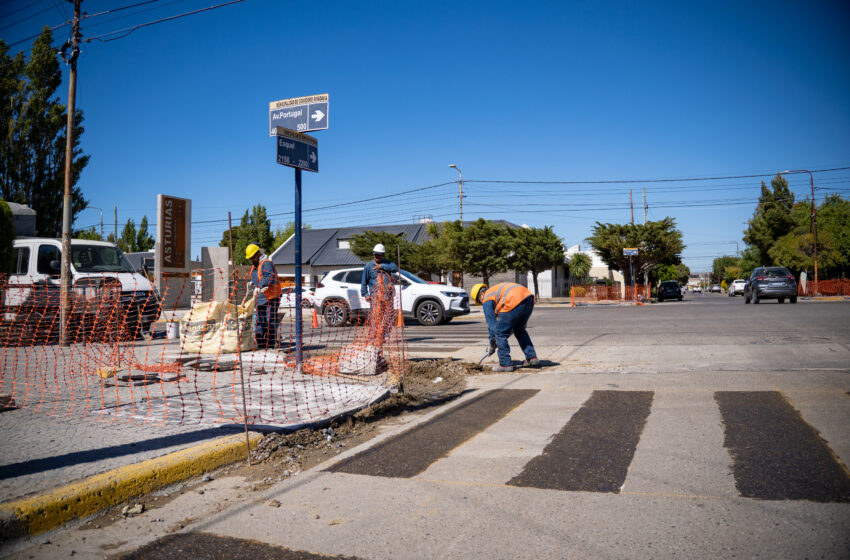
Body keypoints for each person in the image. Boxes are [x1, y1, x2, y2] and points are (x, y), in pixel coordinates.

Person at [471, 282, 538, 372]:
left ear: (481, 294)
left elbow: (492, 326)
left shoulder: (487, 298)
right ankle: (532, 358)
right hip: (528, 298)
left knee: (500, 333)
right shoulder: (494, 292)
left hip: (513, 300)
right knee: (519, 330)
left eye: (480, 301)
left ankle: (505, 364)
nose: (482, 304)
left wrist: (492, 344)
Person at [242, 242, 281, 350]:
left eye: (253, 257)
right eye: (250, 258)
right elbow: (259, 278)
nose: (251, 260)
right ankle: (261, 344)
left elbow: (270, 278)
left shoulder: (266, 263)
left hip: (271, 297)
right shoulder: (255, 266)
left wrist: (259, 286)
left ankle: (270, 345)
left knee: (270, 321)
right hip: (261, 297)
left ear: (258, 254)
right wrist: (253, 283)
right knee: (260, 321)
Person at [360, 243, 399, 346]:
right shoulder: (368, 266)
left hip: (387, 295)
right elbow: (364, 282)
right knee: (376, 316)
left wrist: (382, 266)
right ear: (373, 254)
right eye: (376, 254)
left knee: (388, 316)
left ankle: (385, 335)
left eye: (380, 255)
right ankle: (374, 336)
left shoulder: (387, 264)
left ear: (383, 255)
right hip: (375, 296)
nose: (377, 256)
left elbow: (395, 268)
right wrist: (365, 294)